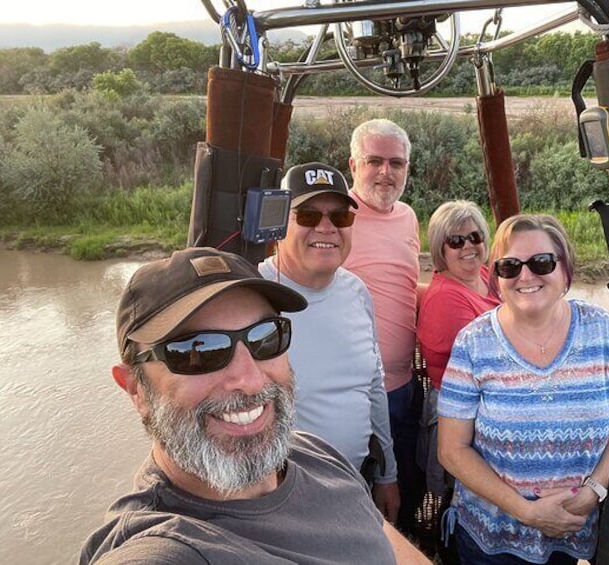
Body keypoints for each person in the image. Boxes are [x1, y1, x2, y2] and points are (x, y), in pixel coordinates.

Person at [79, 247, 431, 565]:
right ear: (135, 388)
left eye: (265, 337)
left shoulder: (314, 453)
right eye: (198, 351)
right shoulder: (164, 547)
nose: (249, 379)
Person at [437, 214, 609, 564]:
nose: (526, 275)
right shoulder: (474, 343)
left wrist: (593, 491)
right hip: (492, 538)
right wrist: (526, 511)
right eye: (510, 267)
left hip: (573, 528)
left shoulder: (602, 331)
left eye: (542, 262)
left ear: (565, 270)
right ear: (497, 279)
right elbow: (451, 449)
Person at [257, 161, 400, 522]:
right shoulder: (251, 295)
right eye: (307, 215)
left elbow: (373, 387)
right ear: (278, 223)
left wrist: (388, 474)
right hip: (282, 502)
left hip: (356, 485)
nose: (326, 227)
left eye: (340, 217)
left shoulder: (357, 291)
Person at [343, 118, 425, 532]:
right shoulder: (332, 221)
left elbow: (402, 283)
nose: (385, 172)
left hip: (405, 387)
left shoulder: (408, 218)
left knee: (407, 488)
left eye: (396, 162)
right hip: (355, 396)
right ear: (353, 165)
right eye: (374, 161)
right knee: (356, 502)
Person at [416, 200, 501, 496]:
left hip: (489, 407)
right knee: (467, 496)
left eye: (475, 237)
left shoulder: (486, 275)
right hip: (461, 416)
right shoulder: (446, 299)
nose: (468, 246)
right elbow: (485, 364)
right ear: (441, 248)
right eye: (456, 241)